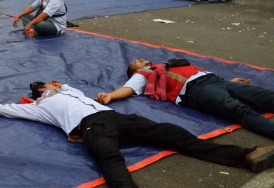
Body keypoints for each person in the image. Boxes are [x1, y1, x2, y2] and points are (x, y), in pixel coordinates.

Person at [0, 81, 274, 188]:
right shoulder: (41, 106)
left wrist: (63, 85)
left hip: (116, 118)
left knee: (171, 133)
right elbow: (8, 110)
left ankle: (244, 154)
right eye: (49, 87)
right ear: (41, 92)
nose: (54, 87)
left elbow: (71, 89)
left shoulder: (69, 91)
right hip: (92, 127)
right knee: (109, 158)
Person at [96, 58, 274, 140]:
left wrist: (230, 82)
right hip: (196, 89)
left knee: (265, 96)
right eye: (135, 62)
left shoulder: (164, 65)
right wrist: (111, 95)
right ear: (134, 71)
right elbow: (128, 89)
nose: (139, 59)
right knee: (239, 109)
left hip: (216, 81)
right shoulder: (142, 75)